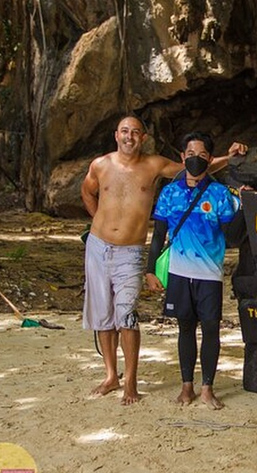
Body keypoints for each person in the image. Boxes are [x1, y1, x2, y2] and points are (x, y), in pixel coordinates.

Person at [81, 115, 247, 405]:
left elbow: (192, 167)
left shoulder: (155, 165)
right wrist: (100, 222)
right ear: (115, 135)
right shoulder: (101, 164)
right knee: (102, 314)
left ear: (143, 137)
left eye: (135, 132)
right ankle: (111, 375)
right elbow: (87, 190)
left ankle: (131, 382)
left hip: (132, 250)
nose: (129, 137)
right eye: (124, 131)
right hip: (98, 246)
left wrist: (230, 159)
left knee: (127, 314)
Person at [145, 132, 241, 410]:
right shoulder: (169, 193)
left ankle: (207, 388)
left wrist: (243, 206)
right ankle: (186, 387)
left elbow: (232, 236)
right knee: (185, 328)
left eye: (201, 156)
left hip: (209, 274)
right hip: (178, 273)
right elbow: (158, 235)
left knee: (211, 330)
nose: (194, 159)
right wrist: (150, 270)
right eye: (190, 154)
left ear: (210, 159)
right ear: (181, 157)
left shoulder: (220, 194)